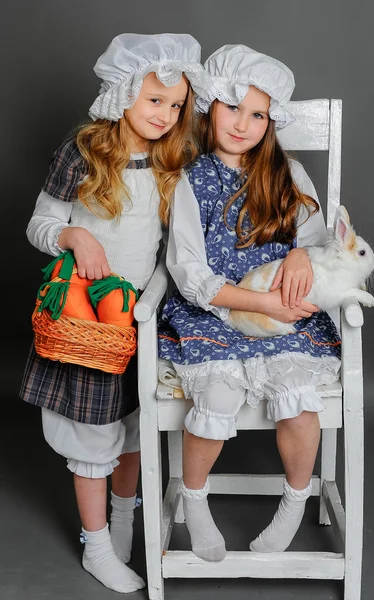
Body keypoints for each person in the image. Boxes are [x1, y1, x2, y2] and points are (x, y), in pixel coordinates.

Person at [20, 32, 204, 592]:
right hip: (86, 325)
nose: (166, 116)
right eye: (154, 101)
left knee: (132, 427)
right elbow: (38, 224)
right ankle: (96, 545)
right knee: (94, 433)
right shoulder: (82, 152)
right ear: (122, 94)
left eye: (175, 106)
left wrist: (154, 302)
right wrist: (74, 234)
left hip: (139, 323)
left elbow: (175, 248)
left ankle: (125, 518)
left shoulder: (175, 160)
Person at [158, 44, 341, 562]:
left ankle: (293, 503)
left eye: (257, 114)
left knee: (301, 398)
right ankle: (195, 502)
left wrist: (304, 256)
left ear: (271, 120)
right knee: (213, 402)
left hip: (283, 317)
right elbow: (190, 272)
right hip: (217, 310)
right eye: (233, 107)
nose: (242, 124)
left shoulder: (289, 174)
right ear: (210, 104)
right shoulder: (191, 181)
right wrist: (259, 302)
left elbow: (315, 238)